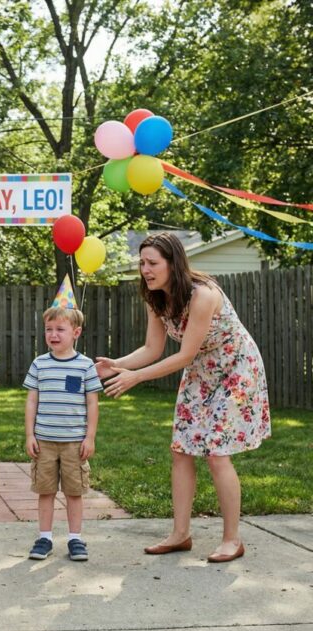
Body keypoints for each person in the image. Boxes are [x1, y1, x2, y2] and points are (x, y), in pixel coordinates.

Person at [97, 232, 270, 562]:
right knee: (181, 450)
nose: (145, 270)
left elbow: (184, 355)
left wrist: (135, 378)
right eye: (142, 263)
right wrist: (116, 365)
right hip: (201, 371)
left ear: (173, 263)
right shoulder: (156, 297)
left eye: (152, 263)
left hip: (236, 370)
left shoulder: (202, 295)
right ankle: (180, 534)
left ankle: (232, 539)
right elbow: (153, 349)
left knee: (216, 453)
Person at [24, 304, 103, 561]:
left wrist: (89, 437)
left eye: (60, 329)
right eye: (49, 329)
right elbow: (32, 401)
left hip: (74, 443)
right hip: (44, 441)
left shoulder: (85, 366)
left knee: (74, 491)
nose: (53, 334)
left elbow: (92, 402)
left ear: (76, 332)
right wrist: (29, 435)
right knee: (45, 490)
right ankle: (44, 537)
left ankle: (75, 539)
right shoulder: (39, 364)